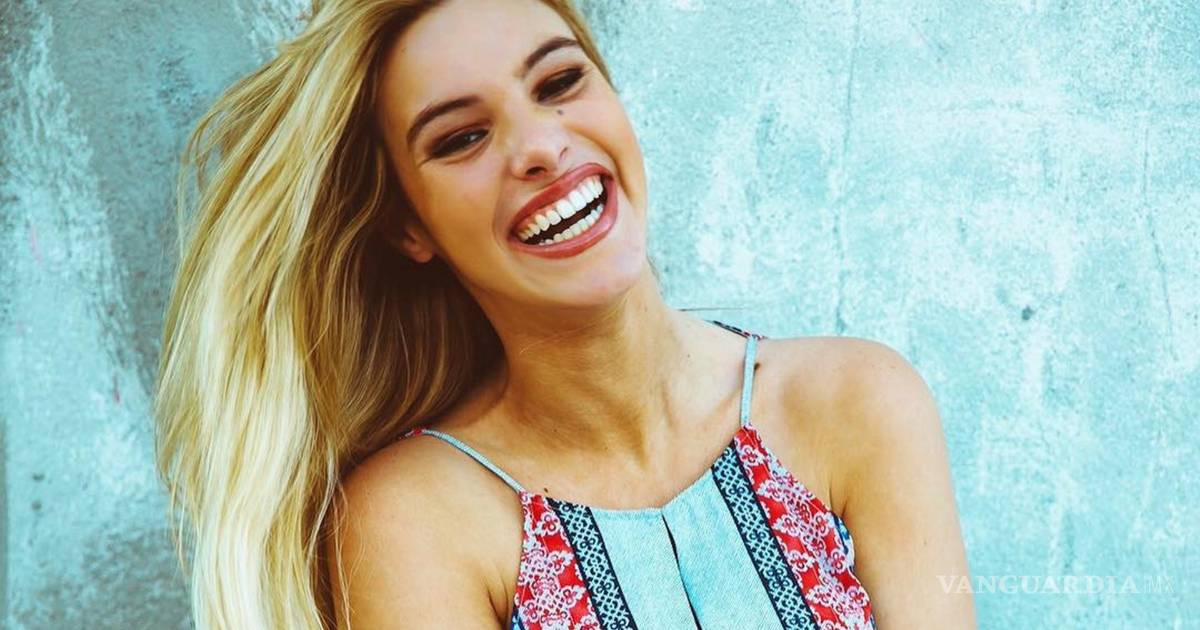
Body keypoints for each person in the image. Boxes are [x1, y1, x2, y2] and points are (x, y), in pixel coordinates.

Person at [154, 0, 977, 628]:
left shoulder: (859, 402)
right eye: (461, 138)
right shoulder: (419, 517)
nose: (541, 146)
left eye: (558, 83)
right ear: (409, 226)